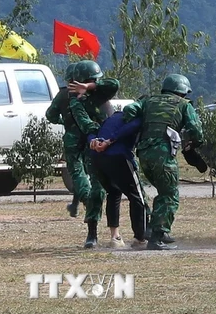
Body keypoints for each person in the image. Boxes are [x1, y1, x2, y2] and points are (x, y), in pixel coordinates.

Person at [122, 74, 204, 251]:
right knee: (170, 195)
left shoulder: (148, 101)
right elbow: (196, 130)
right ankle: (156, 236)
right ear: (182, 91)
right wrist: (194, 143)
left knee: (162, 191)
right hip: (164, 155)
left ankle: (154, 230)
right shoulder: (183, 105)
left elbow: (129, 109)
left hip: (144, 154)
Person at [67, 59, 119, 248]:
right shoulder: (76, 101)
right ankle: (92, 233)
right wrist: (98, 138)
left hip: (114, 144)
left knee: (132, 185)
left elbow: (114, 83)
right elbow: (84, 122)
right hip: (95, 145)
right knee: (97, 190)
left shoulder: (102, 92)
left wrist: (89, 86)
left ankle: (143, 230)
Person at [87, 110, 151, 248]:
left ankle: (115, 237)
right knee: (137, 197)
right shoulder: (138, 117)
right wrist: (110, 140)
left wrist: (92, 141)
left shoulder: (112, 118)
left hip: (97, 158)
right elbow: (132, 127)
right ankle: (140, 239)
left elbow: (93, 131)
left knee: (113, 193)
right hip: (118, 157)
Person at [45, 63, 88, 218]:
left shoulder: (64, 94)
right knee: (86, 173)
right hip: (92, 137)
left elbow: (50, 115)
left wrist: (63, 121)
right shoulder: (91, 93)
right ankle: (75, 205)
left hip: (73, 139)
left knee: (77, 173)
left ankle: (88, 200)